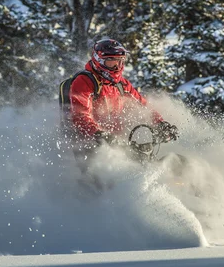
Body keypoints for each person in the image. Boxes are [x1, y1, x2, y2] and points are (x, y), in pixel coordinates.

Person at [65, 38, 177, 176]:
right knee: (133, 174)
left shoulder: (121, 84)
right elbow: (80, 116)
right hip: (91, 148)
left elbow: (142, 105)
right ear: (98, 61)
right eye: (112, 62)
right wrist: (99, 134)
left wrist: (160, 123)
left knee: (167, 164)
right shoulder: (84, 82)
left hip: (120, 144)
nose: (117, 67)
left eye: (120, 61)